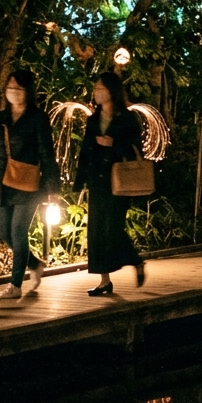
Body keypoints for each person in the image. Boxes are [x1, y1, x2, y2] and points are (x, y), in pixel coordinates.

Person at [0, 70, 61, 299]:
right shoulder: (0, 119)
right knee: (4, 233)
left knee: (18, 232)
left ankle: (15, 285)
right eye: (10, 87)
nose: (13, 91)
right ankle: (35, 263)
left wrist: (53, 189)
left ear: (28, 91)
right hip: (3, 182)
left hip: (29, 184)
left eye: (18, 88)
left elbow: (47, 155)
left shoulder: (38, 118)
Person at [75, 72, 145, 295]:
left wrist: (113, 144)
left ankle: (135, 261)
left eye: (100, 88)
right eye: (95, 88)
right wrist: (80, 180)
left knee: (113, 228)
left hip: (118, 181)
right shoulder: (93, 120)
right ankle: (104, 280)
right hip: (97, 179)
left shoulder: (127, 119)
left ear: (112, 91)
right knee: (96, 230)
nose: (96, 92)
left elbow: (136, 150)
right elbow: (85, 150)